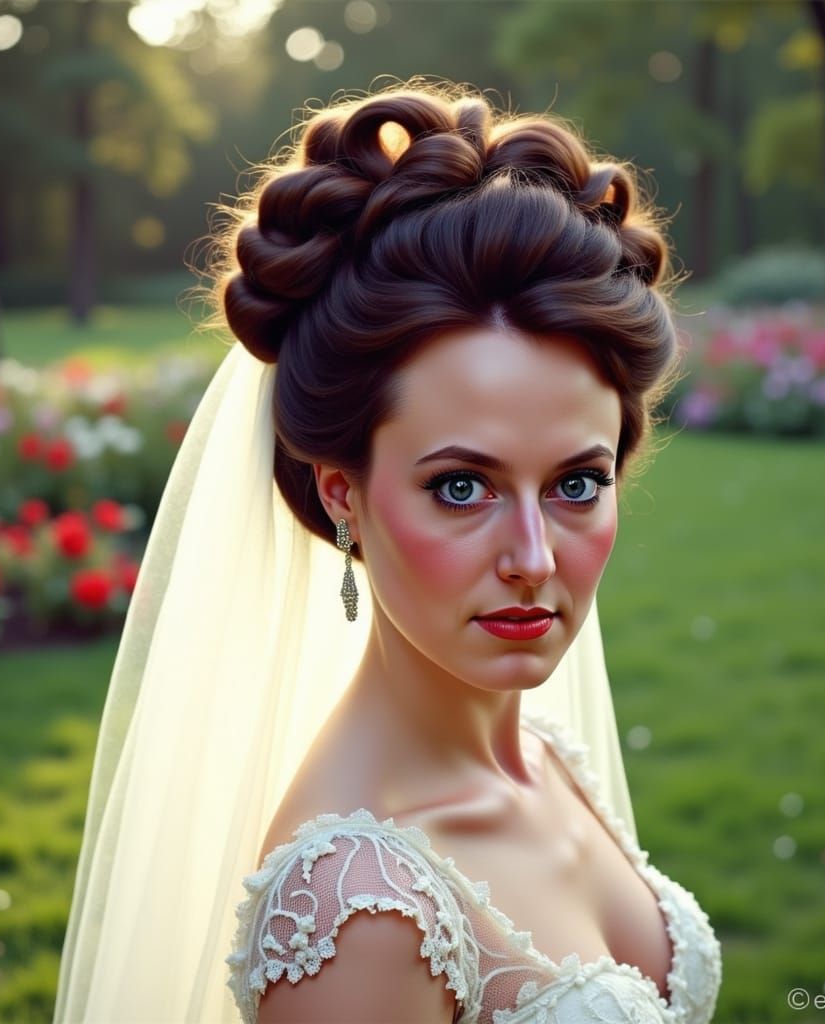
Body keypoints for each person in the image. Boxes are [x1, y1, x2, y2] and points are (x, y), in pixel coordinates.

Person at [53, 82, 721, 1024]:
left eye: (576, 482)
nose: (534, 557)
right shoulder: (360, 917)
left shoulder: (543, 755)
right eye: (461, 487)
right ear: (342, 493)